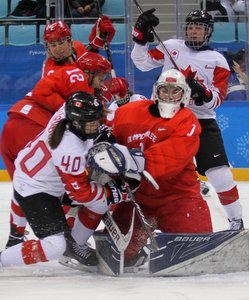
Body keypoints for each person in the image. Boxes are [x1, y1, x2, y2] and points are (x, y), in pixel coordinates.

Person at [130, 9, 244, 230]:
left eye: (199, 28)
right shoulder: (171, 46)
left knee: (220, 173)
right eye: (191, 27)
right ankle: (145, 220)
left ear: (208, 32)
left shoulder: (218, 60)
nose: (193, 31)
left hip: (201, 121)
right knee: (154, 170)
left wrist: (203, 93)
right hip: (166, 118)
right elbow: (142, 63)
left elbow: (218, 99)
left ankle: (236, 221)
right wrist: (140, 37)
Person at [88, 69, 213, 267]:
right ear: (156, 91)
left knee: (196, 252)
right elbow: (106, 137)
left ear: (184, 95)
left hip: (178, 198)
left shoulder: (186, 121)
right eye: (165, 90)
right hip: (138, 199)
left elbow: (171, 157)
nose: (170, 96)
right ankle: (138, 254)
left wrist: (128, 159)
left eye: (176, 91)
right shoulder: (127, 113)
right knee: (117, 256)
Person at [0, 52, 115, 249]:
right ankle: (64, 237)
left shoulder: (70, 74)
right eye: (100, 77)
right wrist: (69, 111)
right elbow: (41, 92)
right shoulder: (79, 80)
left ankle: (15, 237)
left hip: (18, 126)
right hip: (31, 124)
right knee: (57, 183)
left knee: (26, 181)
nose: (102, 83)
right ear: (88, 72)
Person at [0, 91, 125, 270]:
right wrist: (112, 192)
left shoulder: (66, 113)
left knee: (100, 203)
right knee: (55, 246)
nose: (97, 125)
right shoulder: (69, 149)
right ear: (77, 122)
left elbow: (82, 102)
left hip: (33, 173)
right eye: (92, 122)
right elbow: (80, 193)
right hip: (36, 189)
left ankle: (74, 243)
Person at [42, 17, 115, 77]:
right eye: (53, 45)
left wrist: (94, 46)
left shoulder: (78, 47)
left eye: (61, 43)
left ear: (69, 41)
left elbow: (86, 62)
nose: (58, 48)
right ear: (48, 47)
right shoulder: (50, 69)